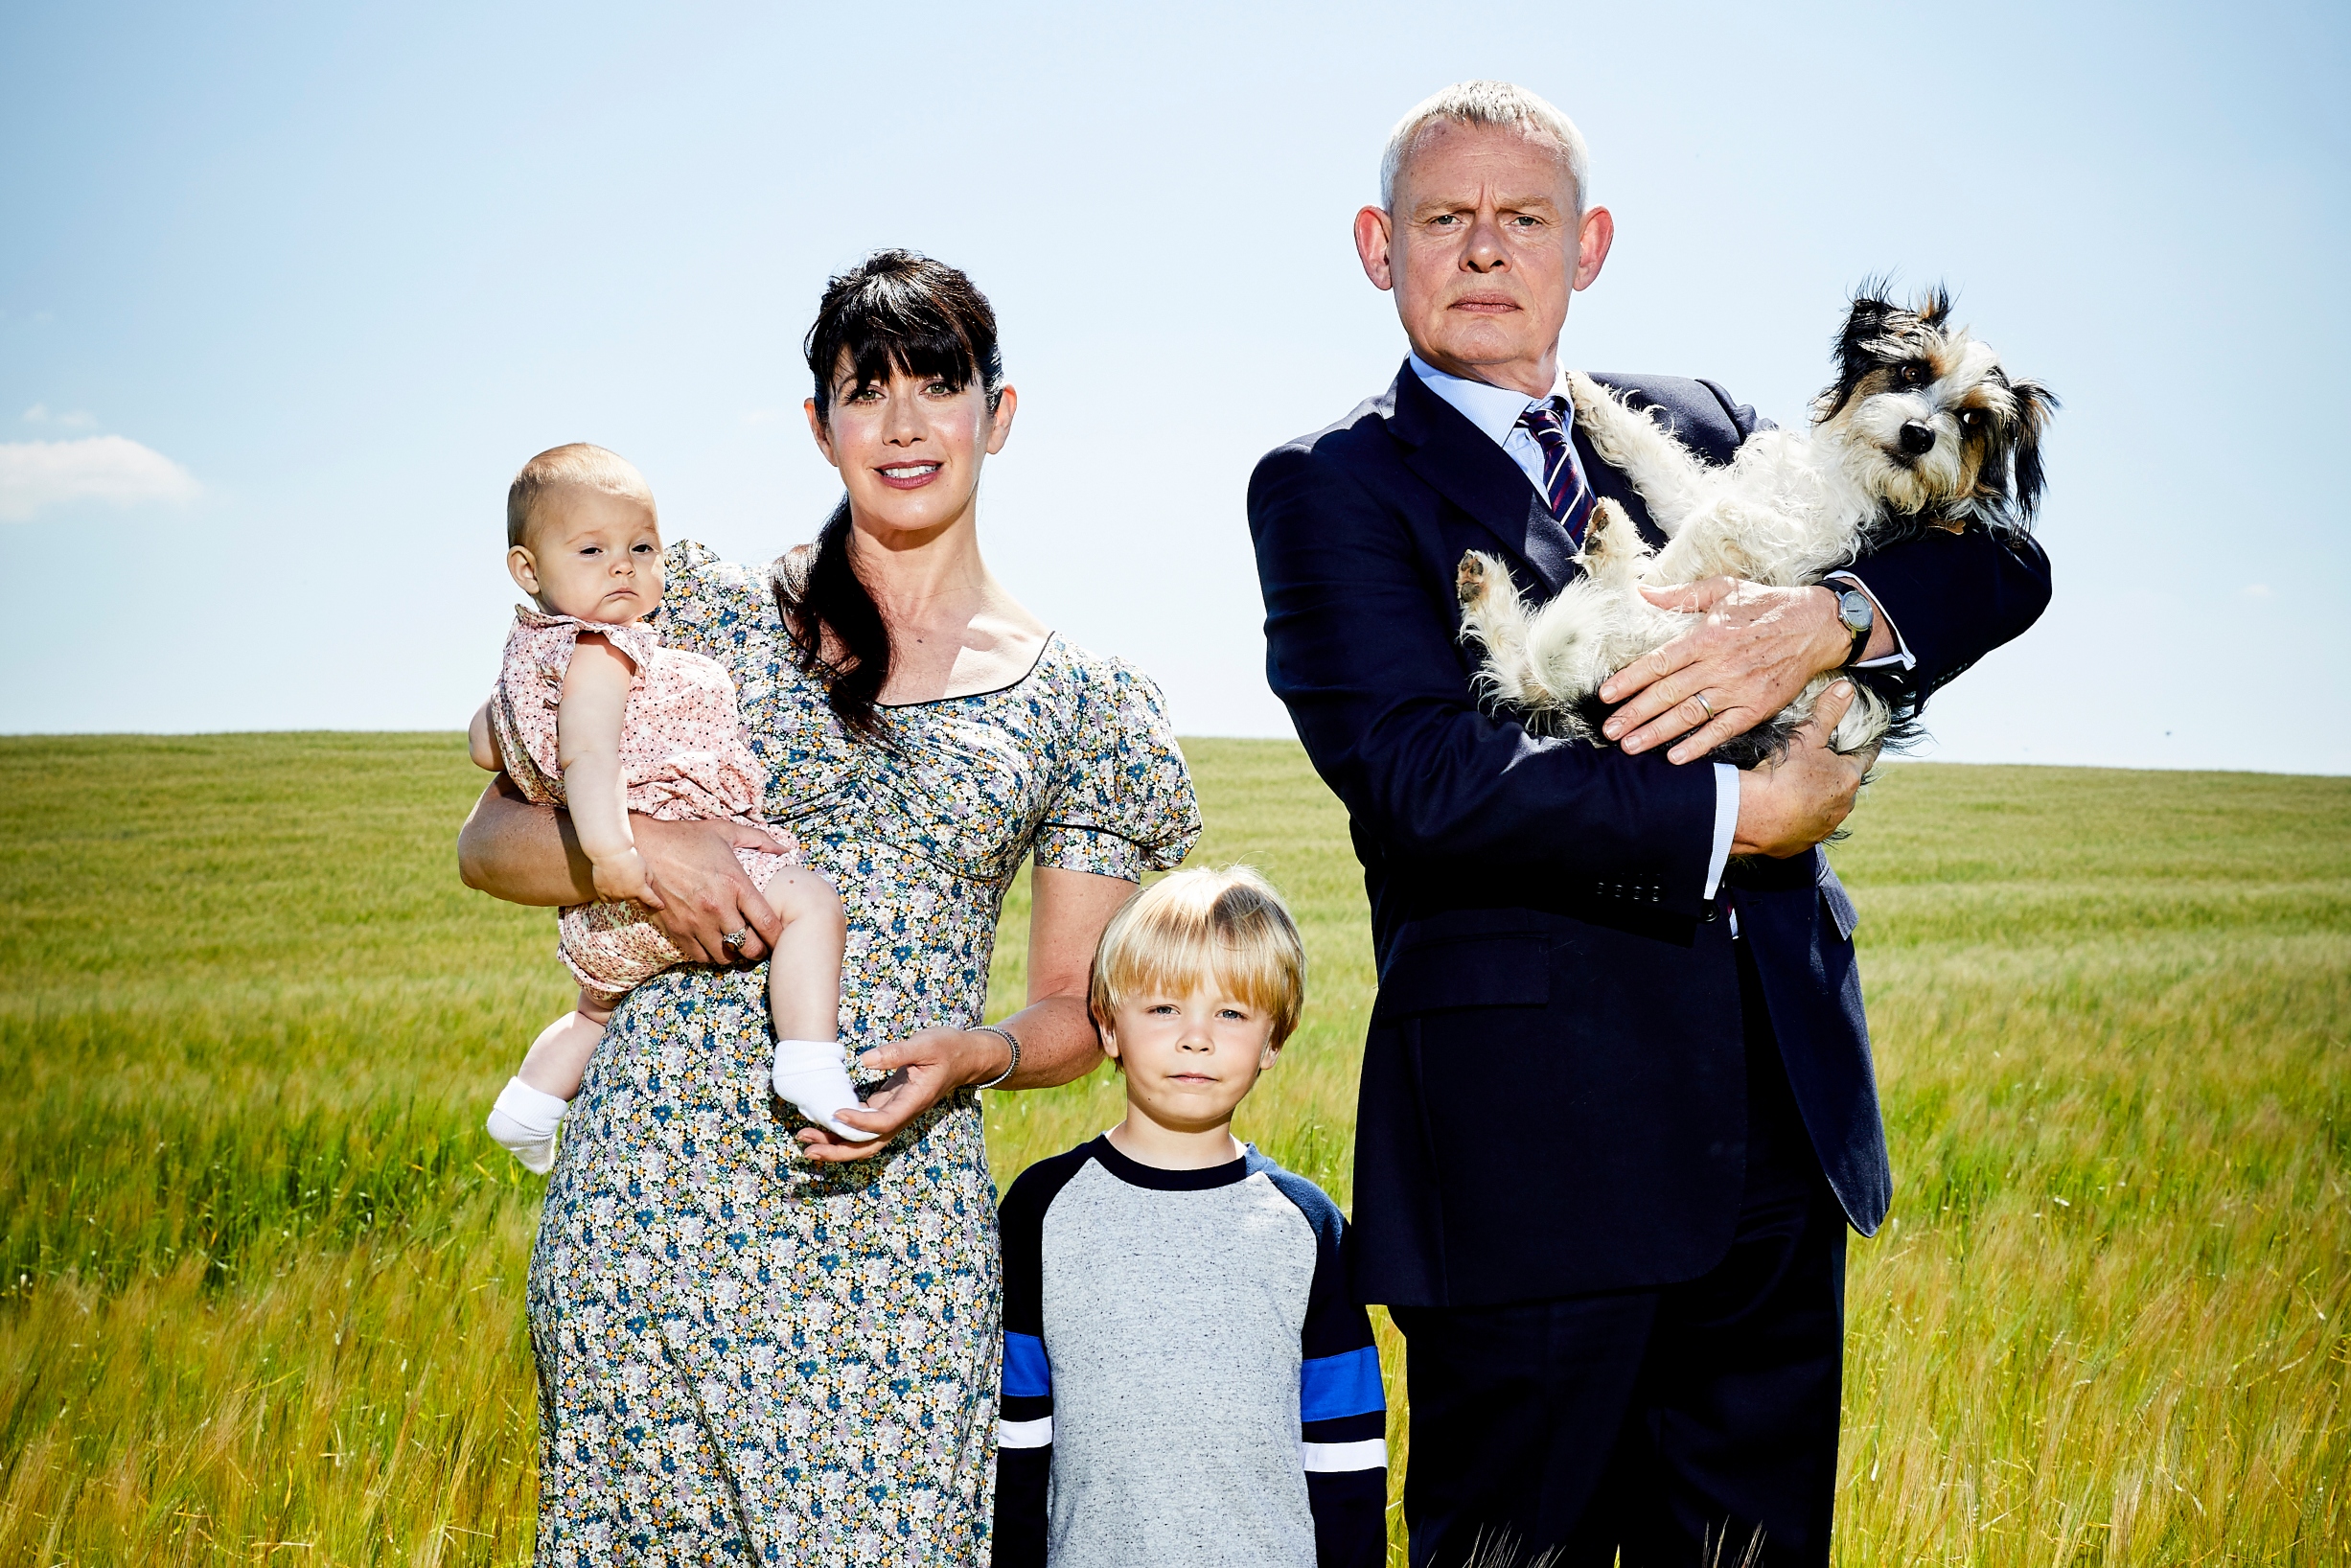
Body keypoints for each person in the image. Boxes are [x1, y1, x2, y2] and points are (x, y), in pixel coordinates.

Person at [1246, 82, 2052, 1567]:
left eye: (1525, 219)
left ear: (1587, 245)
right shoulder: (1331, 487)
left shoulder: (1710, 423)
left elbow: (2003, 564)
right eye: (1445, 219)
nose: (1485, 250)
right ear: (1380, 247)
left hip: (1775, 1137)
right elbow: (1425, 777)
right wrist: (1745, 809)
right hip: (1529, 1158)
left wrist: (1826, 621)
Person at [456, 250, 1201, 1565]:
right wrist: (649, 860)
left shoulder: (1083, 702)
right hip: (653, 1210)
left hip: (889, 1226)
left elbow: (1075, 1014)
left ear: (998, 413)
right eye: (867, 392)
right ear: (820, 427)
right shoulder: (698, 615)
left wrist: (977, 1056)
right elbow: (490, 841)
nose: (904, 425)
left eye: (938, 385)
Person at [469, 441, 862, 1173]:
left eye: (641, 547)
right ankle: (808, 1060)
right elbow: (589, 753)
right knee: (812, 906)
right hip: (645, 860)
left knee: (595, 1011)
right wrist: (620, 855)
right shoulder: (603, 649)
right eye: (591, 550)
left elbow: (486, 747)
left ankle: (528, 1104)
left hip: (594, 920)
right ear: (528, 569)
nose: (621, 566)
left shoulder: (523, 658)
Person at [991, 866, 1386, 1568]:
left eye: (1231, 1014)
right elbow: (1018, 1431)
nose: (1196, 1038)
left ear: (1273, 1041)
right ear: (1108, 1026)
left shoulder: (1306, 1223)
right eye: (1163, 1009)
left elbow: (1344, 1444)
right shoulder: (1043, 1207)